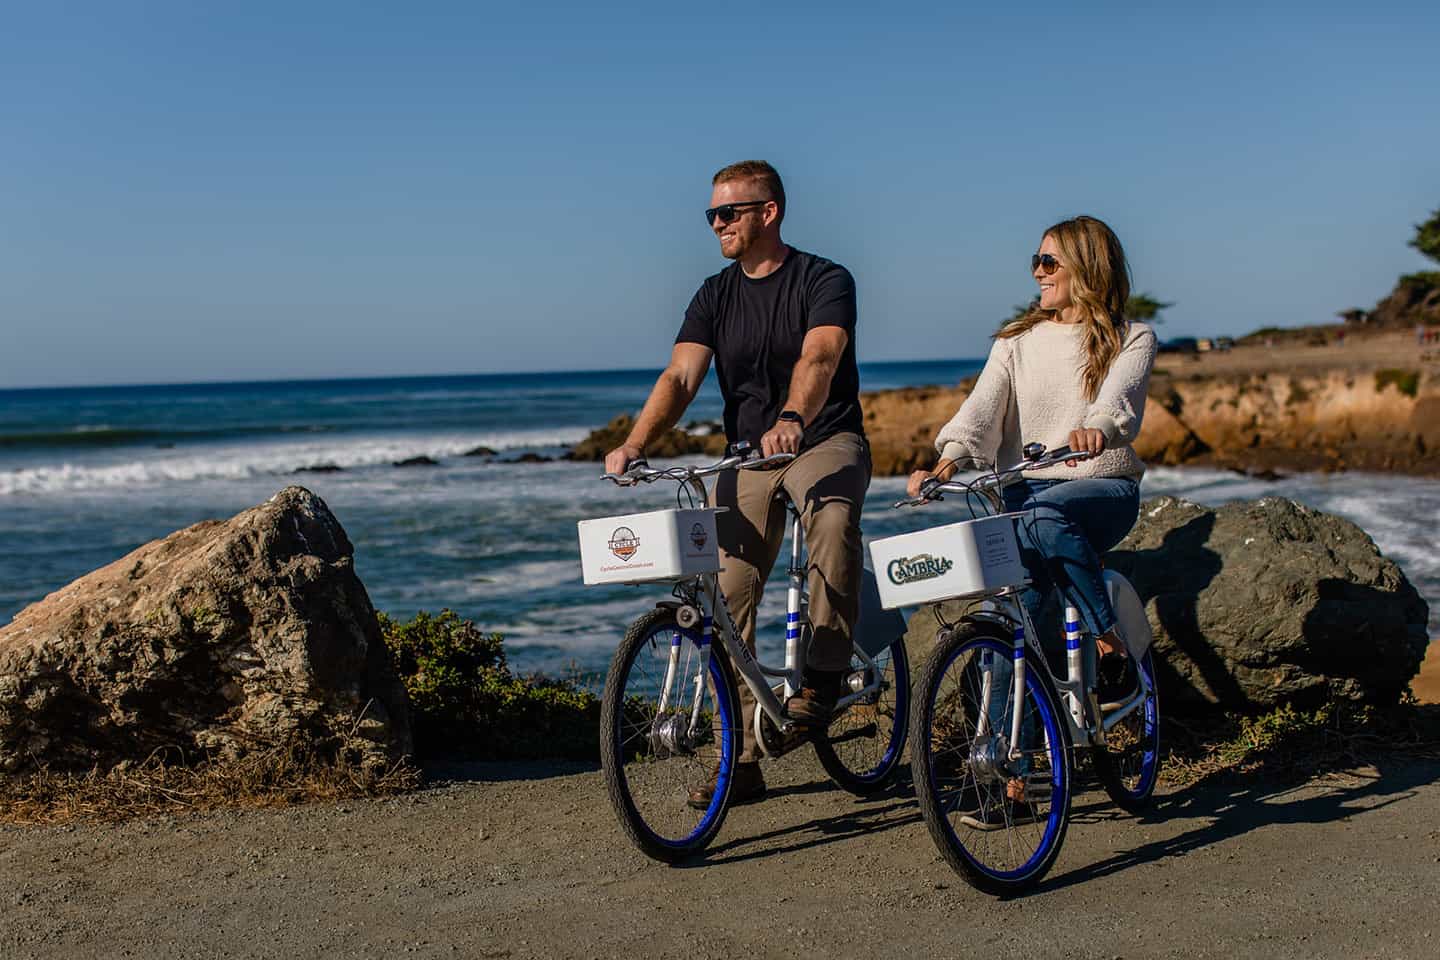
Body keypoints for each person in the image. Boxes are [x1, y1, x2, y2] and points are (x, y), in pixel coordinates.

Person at [604, 160, 870, 809]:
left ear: (768, 213)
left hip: (822, 437)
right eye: (711, 214)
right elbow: (680, 377)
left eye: (728, 213)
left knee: (831, 524)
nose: (716, 223)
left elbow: (821, 355)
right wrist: (637, 443)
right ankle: (740, 760)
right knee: (729, 591)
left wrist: (791, 417)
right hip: (747, 455)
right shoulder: (714, 294)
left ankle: (825, 676)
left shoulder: (824, 279)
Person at [908, 213, 1157, 750]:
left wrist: (1097, 428)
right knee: (1012, 622)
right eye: (1036, 262)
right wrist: (945, 463)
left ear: (1087, 268)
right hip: (1025, 497)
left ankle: (1107, 633)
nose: (1038, 274)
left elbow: (1121, 402)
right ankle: (1003, 765)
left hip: (1099, 489)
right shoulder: (1016, 341)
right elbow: (980, 410)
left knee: (1046, 518)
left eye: (1049, 263)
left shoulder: (1131, 337)